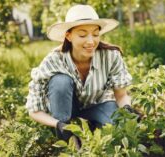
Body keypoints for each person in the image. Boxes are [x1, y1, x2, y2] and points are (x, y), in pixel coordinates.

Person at [25, 5, 139, 145]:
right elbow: (33, 110)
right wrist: (58, 124)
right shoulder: (54, 60)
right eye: (82, 35)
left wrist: (127, 109)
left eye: (95, 34)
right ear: (69, 36)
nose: (91, 41)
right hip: (65, 114)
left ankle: (90, 128)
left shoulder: (110, 56)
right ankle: (68, 138)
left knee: (115, 130)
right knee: (60, 81)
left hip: (97, 105)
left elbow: (121, 95)